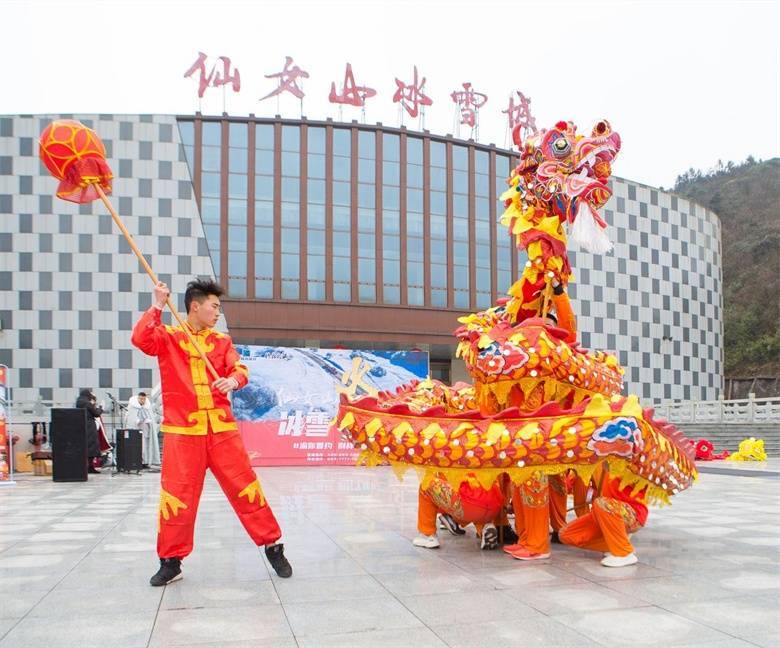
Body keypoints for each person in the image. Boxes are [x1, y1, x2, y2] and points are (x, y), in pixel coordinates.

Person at [132, 278, 292, 586]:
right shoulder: (169, 337)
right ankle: (171, 561)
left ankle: (273, 545)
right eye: (214, 306)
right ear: (196, 306)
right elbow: (140, 339)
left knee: (246, 487)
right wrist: (156, 305)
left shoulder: (221, 342)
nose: (218, 312)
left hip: (222, 430)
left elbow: (240, 370)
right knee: (177, 496)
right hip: (183, 431)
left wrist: (232, 382)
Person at [558, 467, 647, 567]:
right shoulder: (601, 461)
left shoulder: (629, 459)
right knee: (565, 535)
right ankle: (616, 544)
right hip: (603, 512)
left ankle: (624, 552)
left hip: (632, 513)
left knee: (601, 502)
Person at [125, 391, 161, 469]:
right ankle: (136, 462)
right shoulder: (132, 406)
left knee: (145, 447)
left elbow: (150, 417)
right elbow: (130, 418)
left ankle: (145, 462)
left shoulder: (147, 407)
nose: (142, 401)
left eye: (144, 399)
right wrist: (137, 421)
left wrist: (149, 422)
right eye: (141, 399)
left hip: (145, 431)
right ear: (138, 398)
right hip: (135, 430)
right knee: (136, 447)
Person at [75, 388, 103, 473]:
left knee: (86, 446)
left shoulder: (79, 402)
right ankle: (90, 467)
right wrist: (101, 408)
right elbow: (96, 413)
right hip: (90, 426)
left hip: (82, 425)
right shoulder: (87, 403)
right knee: (92, 446)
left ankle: (85, 467)